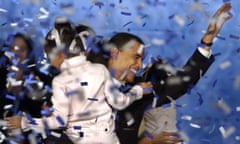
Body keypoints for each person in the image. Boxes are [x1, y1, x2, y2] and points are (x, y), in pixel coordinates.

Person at [86, 3, 232, 144]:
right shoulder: (81, 82)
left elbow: (182, 82)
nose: (139, 65)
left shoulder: (141, 90)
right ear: (114, 53)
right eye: (136, 57)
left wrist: (207, 41)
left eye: (141, 59)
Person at [5, 17, 152, 144]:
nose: (49, 61)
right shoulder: (100, 71)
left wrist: (25, 122)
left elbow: (58, 120)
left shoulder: (61, 81)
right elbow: (120, 102)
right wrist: (138, 91)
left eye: (48, 55)